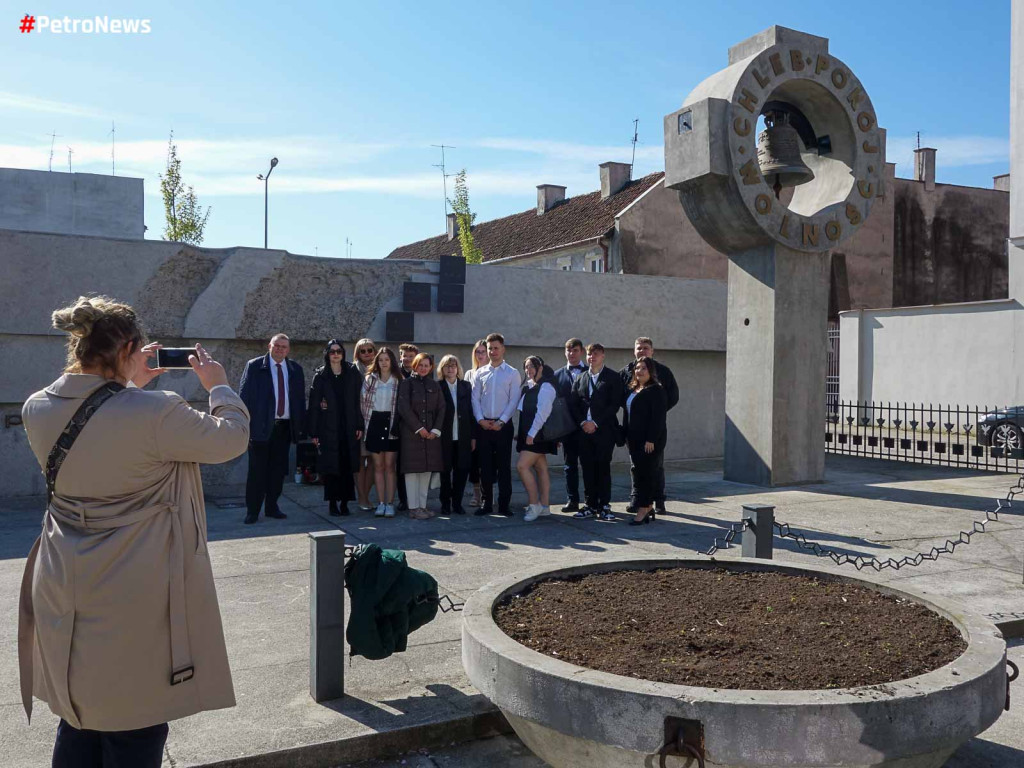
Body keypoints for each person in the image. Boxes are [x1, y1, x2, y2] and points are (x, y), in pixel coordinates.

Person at [20, 295, 249, 768]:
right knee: (135, 724)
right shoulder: (157, 412)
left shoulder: (35, 408)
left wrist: (127, 383)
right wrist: (220, 387)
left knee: (78, 717)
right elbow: (232, 438)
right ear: (128, 347)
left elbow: (101, 428)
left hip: (63, 581)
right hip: (133, 591)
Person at [239, 333, 306, 524]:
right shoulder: (254, 366)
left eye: (284, 347)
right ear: (269, 346)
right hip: (260, 427)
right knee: (257, 471)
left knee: (278, 471)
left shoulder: (295, 369)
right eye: (277, 346)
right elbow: (244, 396)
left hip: (284, 428)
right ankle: (252, 510)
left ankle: (272, 507)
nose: (280, 349)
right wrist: (245, 425)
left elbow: (300, 401)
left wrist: (300, 427)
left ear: (288, 350)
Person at [620, 337, 679, 515]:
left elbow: (673, 397)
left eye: (646, 348)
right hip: (633, 430)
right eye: (639, 348)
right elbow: (622, 397)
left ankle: (658, 501)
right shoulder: (626, 372)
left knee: (655, 466)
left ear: (652, 351)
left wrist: (653, 413)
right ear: (634, 351)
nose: (642, 351)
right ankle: (636, 500)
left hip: (653, 431)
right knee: (635, 467)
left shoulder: (663, 372)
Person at [306, 339, 363, 516]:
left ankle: (345, 503)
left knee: (346, 465)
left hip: (349, 426)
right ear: (327, 354)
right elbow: (314, 405)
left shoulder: (352, 372)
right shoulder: (321, 375)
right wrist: (313, 432)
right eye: (332, 351)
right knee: (331, 467)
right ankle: (332, 504)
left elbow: (358, 401)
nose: (336, 354)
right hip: (328, 428)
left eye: (339, 351)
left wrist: (359, 424)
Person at [569, 343, 624, 521]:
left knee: (603, 467)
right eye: (590, 354)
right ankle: (590, 505)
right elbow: (574, 403)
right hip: (584, 432)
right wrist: (584, 422)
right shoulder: (581, 377)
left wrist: (596, 423)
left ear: (603, 356)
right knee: (587, 468)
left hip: (604, 431)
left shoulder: (613, 377)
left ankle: (605, 505)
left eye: (596, 354)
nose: (592, 357)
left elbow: (614, 405)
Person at [470, 333, 522, 517]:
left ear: (503, 349)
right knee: (484, 466)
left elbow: (514, 400)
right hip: (484, 425)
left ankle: (504, 505)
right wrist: (480, 420)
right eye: (490, 348)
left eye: (495, 348)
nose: (492, 351)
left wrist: (501, 422)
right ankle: (486, 504)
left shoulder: (512, 373)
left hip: (503, 427)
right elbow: (475, 399)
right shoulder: (479, 373)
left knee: (503, 467)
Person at [397, 353, 446, 520]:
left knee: (426, 471)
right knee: (412, 472)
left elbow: (442, 408)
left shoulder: (434, 385)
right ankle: (413, 508)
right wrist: (419, 428)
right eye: (421, 365)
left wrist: (435, 430)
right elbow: (403, 408)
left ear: (431, 367)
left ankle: (423, 506)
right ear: (415, 365)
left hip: (431, 436)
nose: (423, 368)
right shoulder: (406, 383)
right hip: (412, 435)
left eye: (427, 365)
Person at [623, 357, 668, 525]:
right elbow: (628, 415)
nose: (639, 371)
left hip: (649, 442)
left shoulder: (656, 390)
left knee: (647, 474)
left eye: (643, 368)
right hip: (634, 440)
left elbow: (658, 418)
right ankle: (647, 506)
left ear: (650, 371)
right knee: (639, 474)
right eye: (637, 368)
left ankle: (644, 507)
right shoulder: (634, 389)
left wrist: (651, 439)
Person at [361, 347, 403, 518]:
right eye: (381, 360)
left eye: (387, 359)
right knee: (377, 466)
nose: (384, 363)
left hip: (392, 423)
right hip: (374, 423)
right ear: (376, 362)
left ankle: (390, 503)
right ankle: (380, 503)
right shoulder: (370, 379)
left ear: (392, 361)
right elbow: (362, 404)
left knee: (390, 466)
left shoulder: (399, 380)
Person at [516, 356, 558, 522]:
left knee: (522, 466)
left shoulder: (546, 386)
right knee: (541, 468)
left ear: (540, 367)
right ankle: (545, 506)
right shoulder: (530, 387)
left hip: (538, 435)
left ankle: (534, 505)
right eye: (526, 367)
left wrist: (531, 434)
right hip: (531, 434)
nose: (528, 370)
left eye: (532, 367)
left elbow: (543, 413)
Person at [553, 338, 588, 512]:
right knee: (569, 466)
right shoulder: (557, 375)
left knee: (590, 465)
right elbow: (554, 406)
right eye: (568, 350)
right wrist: (556, 433)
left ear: (581, 351)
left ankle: (591, 501)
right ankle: (572, 500)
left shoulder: (590, 371)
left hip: (587, 428)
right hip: (567, 429)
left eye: (575, 350)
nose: (571, 353)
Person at [437, 354, 474, 516]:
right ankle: (445, 503)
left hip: (463, 437)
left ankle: (457, 503)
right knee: (445, 472)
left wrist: (473, 437)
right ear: (442, 369)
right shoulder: (437, 386)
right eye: (447, 366)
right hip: (444, 437)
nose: (450, 369)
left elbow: (472, 412)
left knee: (462, 471)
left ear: (458, 368)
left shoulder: (466, 386)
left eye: (453, 365)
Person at [352, 337, 378, 511]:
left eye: (370, 350)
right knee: (359, 461)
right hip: (358, 422)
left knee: (374, 462)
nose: (367, 354)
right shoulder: (353, 370)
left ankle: (365, 496)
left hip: (376, 421)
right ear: (358, 353)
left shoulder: (381, 367)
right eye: (363, 351)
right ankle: (362, 498)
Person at [394, 342, 420, 511]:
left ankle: (416, 499)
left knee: (416, 465)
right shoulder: (395, 375)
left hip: (417, 428)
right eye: (405, 356)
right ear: (400, 357)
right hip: (400, 426)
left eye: (411, 356)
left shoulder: (422, 374)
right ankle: (403, 499)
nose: (408, 359)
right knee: (401, 466)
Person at [464, 339, 489, 508]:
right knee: (473, 460)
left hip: (489, 422)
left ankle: (489, 494)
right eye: (477, 352)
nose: (480, 355)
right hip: (472, 422)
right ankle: (476, 493)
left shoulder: (494, 372)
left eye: (483, 351)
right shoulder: (469, 374)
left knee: (488, 461)